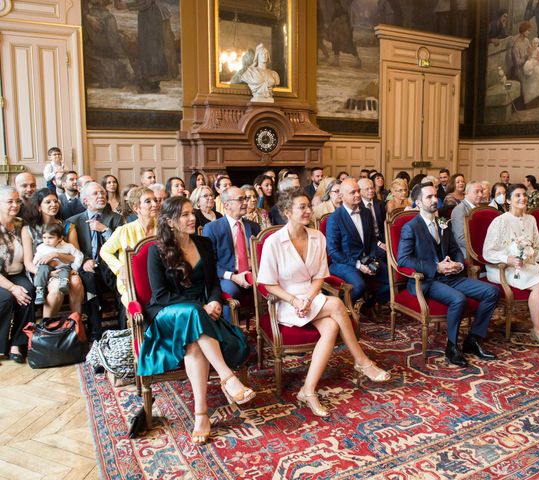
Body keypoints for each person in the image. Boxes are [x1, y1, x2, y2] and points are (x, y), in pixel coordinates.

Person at [258, 188, 389, 417]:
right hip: (286, 301)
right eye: (302, 207)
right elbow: (268, 284)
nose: (309, 211)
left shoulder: (318, 236)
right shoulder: (273, 242)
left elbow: (320, 276)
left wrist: (309, 297)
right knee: (338, 305)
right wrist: (295, 300)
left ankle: (307, 391)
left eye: (309, 206)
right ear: (287, 212)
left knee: (331, 326)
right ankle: (361, 360)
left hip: (311, 295)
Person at [140, 196, 253, 445]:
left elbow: (213, 283)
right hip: (167, 314)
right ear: (170, 222)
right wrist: (200, 307)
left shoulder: (203, 243)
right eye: (185, 215)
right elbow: (160, 295)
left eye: (192, 213)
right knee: (192, 315)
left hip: (200, 315)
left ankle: (201, 414)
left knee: (194, 341)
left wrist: (214, 301)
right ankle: (227, 377)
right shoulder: (155, 251)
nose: (192, 218)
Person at [397, 183, 499, 366]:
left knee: (492, 292)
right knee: (458, 299)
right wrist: (436, 267)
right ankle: (452, 347)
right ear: (418, 203)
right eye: (429, 197)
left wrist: (458, 264)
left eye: (435, 196)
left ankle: (473, 339)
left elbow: (454, 249)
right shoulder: (411, 227)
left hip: (451, 276)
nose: (435, 200)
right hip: (427, 280)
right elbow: (403, 260)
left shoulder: (443, 222)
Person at [483, 184, 539, 348]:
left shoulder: (530, 219)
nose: (522, 198)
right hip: (503, 267)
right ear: (508, 200)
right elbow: (488, 251)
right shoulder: (500, 221)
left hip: (526, 265)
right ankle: (538, 329)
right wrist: (508, 259)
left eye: (524, 195)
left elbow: (537, 247)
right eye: (517, 195)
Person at [326, 178, 390, 316]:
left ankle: (367, 306)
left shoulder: (366, 213)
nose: (357, 195)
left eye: (358, 191)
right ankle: (340, 311)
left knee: (393, 281)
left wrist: (372, 259)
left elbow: (372, 240)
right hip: (344, 262)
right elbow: (333, 252)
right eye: (352, 192)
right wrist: (358, 265)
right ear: (342, 196)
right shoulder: (335, 218)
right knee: (359, 286)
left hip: (366, 258)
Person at [68, 182, 123, 341]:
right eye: (95, 193)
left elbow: (122, 245)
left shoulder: (116, 219)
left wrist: (104, 230)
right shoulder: (74, 222)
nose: (101, 195)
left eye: (102, 192)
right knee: (89, 279)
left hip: (111, 268)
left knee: (122, 282)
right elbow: (71, 249)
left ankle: (122, 330)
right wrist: (84, 260)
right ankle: (95, 332)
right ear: (85, 201)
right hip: (89, 269)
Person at [22, 189, 85, 319]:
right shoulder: (28, 229)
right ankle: (46, 328)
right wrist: (47, 273)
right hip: (40, 271)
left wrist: (56, 254)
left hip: (66, 268)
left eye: (56, 201)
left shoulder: (68, 226)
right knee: (56, 289)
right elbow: (28, 262)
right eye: (48, 202)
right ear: (39, 207)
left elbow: (75, 256)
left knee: (76, 282)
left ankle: (76, 324)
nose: (54, 204)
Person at [202, 186, 260, 321]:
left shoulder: (254, 226)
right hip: (227, 276)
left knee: (273, 285)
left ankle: (267, 330)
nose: (245, 202)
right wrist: (234, 277)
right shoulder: (212, 228)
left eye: (245, 198)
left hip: (253, 272)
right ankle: (232, 334)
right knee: (231, 291)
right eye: (241, 199)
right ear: (227, 205)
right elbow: (209, 263)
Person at [100, 187, 158, 322]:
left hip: (158, 278)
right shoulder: (124, 230)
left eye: (155, 200)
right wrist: (120, 268)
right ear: (136, 207)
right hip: (132, 280)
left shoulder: (163, 228)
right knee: (136, 310)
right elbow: (104, 251)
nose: (154, 204)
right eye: (148, 201)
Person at [0, 186, 35, 363]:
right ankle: (1, 346)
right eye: (9, 201)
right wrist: (13, 288)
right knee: (6, 298)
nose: (15, 205)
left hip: (16, 272)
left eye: (17, 201)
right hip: (1, 277)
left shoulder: (21, 224)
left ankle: (17, 343)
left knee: (27, 292)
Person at [32, 223, 83, 306]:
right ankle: (40, 290)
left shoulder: (67, 246)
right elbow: (36, 260)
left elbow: (79, 255)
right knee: (42, 269)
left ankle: (64, 284)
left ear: (60, 238)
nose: (47, 241)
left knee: (65, 268)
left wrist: (75, 268)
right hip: (46, 266)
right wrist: (38, 266)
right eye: (44, 238)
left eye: (50, 238)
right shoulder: (41, 247)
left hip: (62, 266)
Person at [451, 181, 484, 260]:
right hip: (467, 253)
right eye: (476, 192)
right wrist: (483, 248)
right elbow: (461, 239)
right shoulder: (460, 209)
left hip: (481, 249)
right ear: (466, 193)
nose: (480, 195)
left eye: (481, 191)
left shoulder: (480, 209)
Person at [358, 177, 386, 246]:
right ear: (360, 191)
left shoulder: (380, 204)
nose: (371, 191)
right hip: (367, 241)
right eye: (367, 189)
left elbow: (384, 225)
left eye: (372, 188)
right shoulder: (357, 206)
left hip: (382, 238)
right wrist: (378, 243)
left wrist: (386, 241)